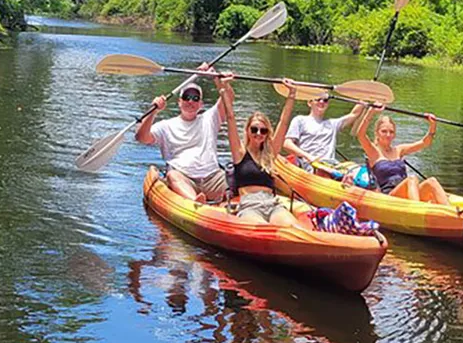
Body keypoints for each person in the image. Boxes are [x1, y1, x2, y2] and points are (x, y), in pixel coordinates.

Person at [135, 65, 230, 204]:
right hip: (184, 177)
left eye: (195, 98)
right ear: (179, 102)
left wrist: (216, 78)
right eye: (187, 97)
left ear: (201, 104)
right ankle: (196, 203)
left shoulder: (210, 118)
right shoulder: (166, 125)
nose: (190, 101)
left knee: (236, 178)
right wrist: (153, 111)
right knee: (173, 175)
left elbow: (228, 99)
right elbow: (141, 137)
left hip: (212, 177)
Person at [221, 74, 301, 225]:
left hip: (272, 203)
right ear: (248, 131)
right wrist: (224, 88)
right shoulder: (240, 153)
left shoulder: (270, 154)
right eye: (255, 129)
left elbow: (284, 122)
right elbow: (230, 117)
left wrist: (292, 94)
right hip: (249, 205)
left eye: (263, 131)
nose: (258, 133)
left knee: (294, 228)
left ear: (267, 134)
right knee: (263, 230)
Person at [356, 106, 450, 204]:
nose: (388, 135)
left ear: (395, 134)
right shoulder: (373, 152)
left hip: (405, 193)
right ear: (377, 133)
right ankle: (417, 211)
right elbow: (361, 135)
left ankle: (451, 213)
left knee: (432, 181)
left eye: (391, 132)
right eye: (384, 131)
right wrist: (370, 112)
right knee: (412, 179)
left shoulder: (399, 150)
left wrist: (432, 125)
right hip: (388, 197)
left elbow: (425, 143)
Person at [282, 92, 364, 167]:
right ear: (310, 103)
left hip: (331, 164)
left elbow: (354, 114)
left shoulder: (332, 124)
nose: (321, 102)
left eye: (325, 100)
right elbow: (287, 144)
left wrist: (366, 96)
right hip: (309, 164)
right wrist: (308, 156)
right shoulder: (300, 120)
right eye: (318, 99)